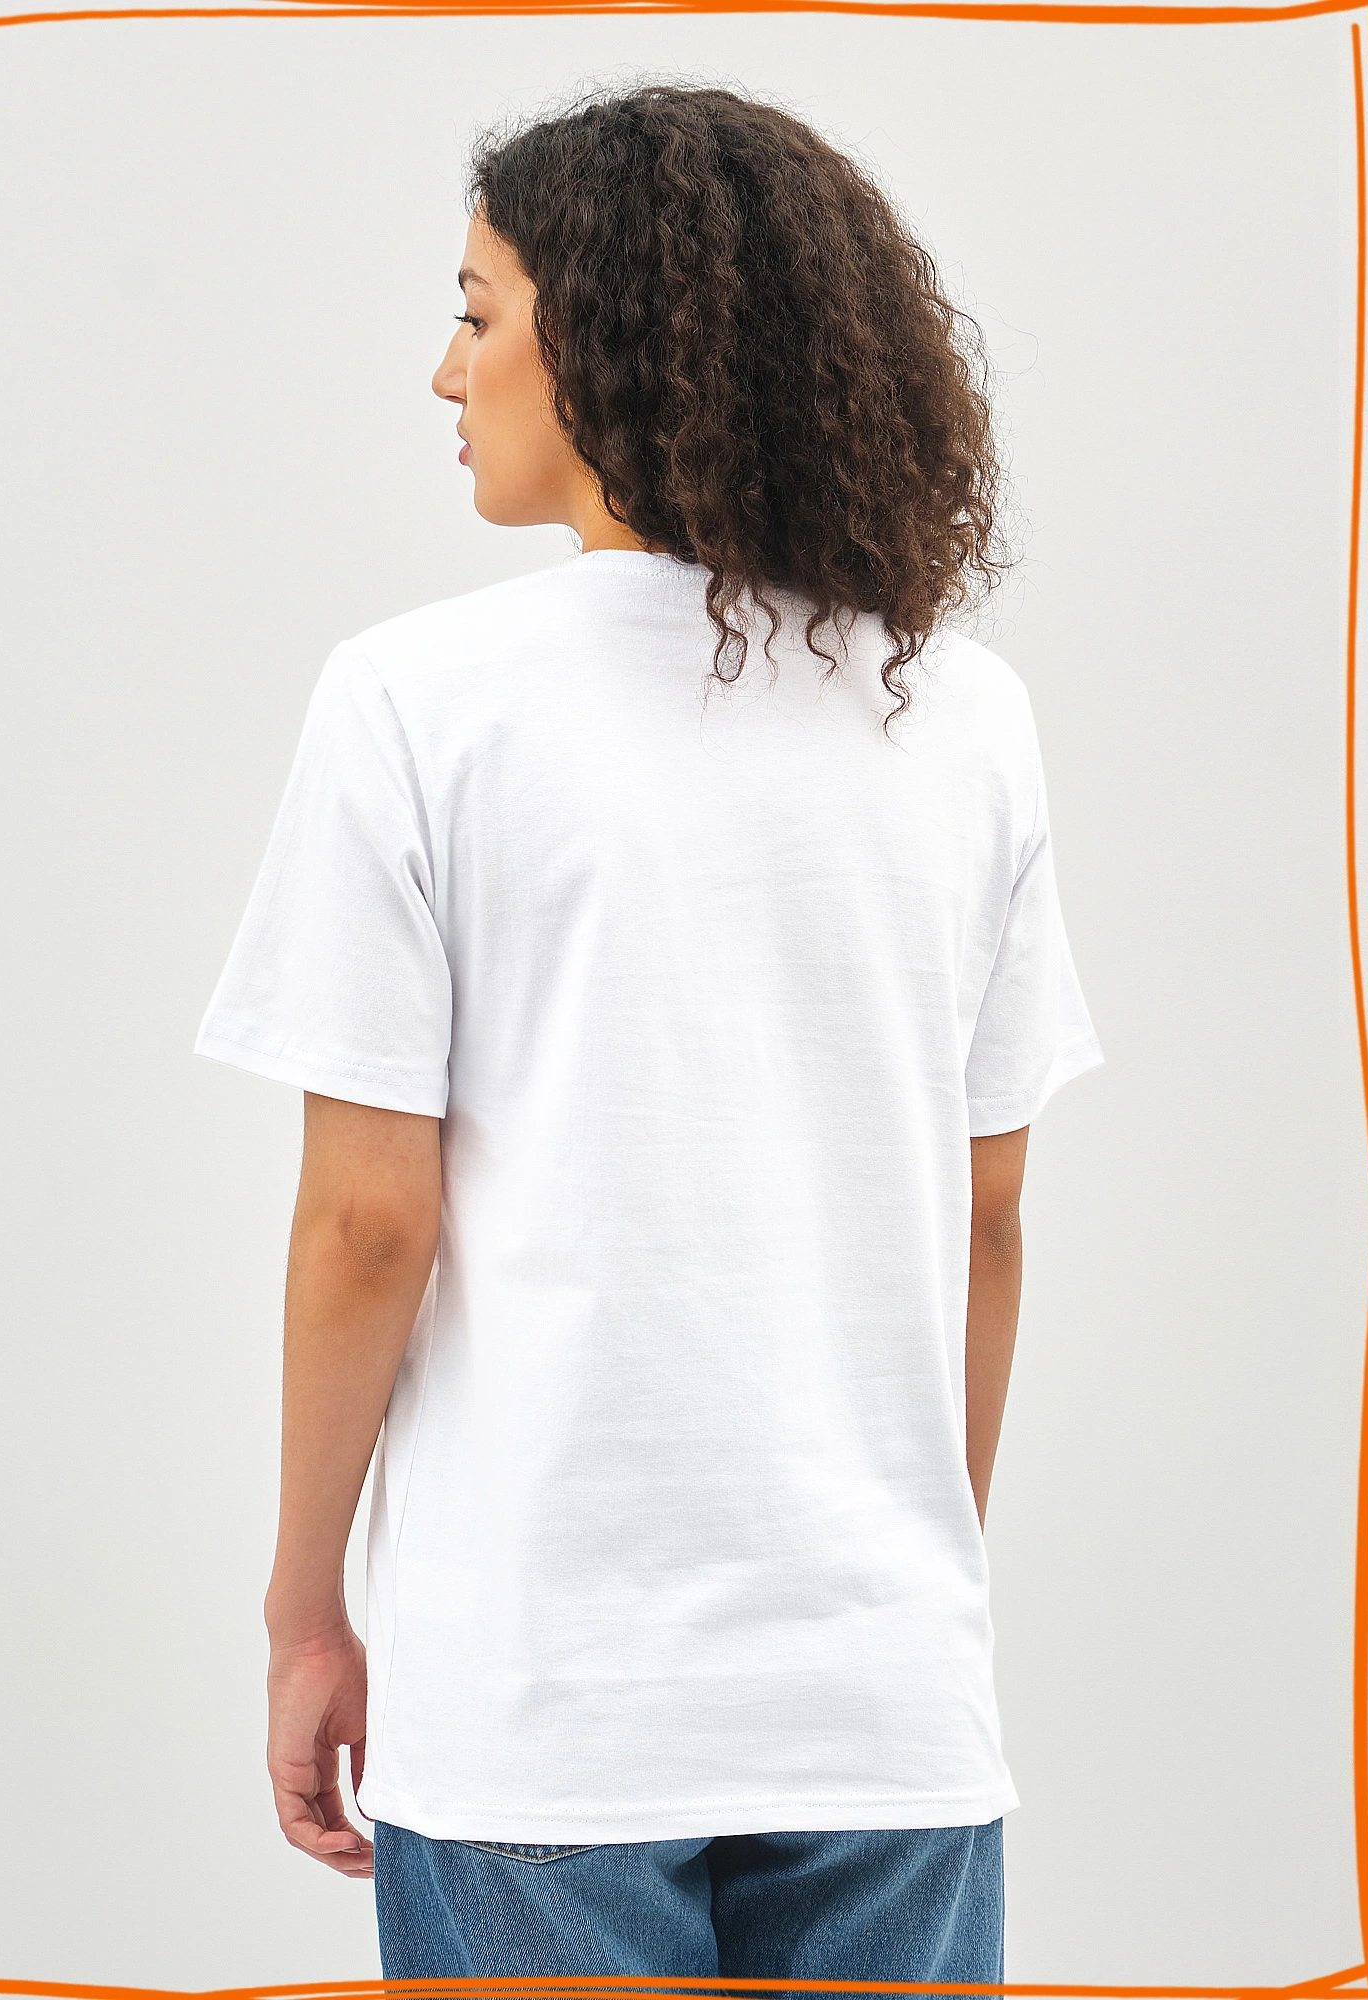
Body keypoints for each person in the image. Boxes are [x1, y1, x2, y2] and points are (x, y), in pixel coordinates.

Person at [194, 78, 1105, 1992]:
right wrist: (902, 1597)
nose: (446, 373)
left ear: (603, 338)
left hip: (544, 1696)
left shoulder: (416, 705)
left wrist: (304, 1613)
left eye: (477, 313)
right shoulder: (961, 715)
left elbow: (367, 1223)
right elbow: (988, 1216)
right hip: (885, 1704)